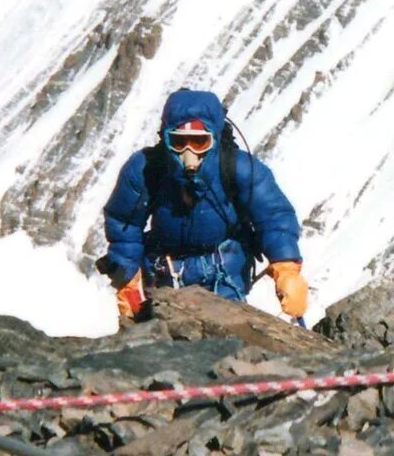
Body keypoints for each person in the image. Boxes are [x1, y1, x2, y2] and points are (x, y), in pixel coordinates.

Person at [101, 89, 309, 321]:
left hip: (224, 270)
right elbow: (124, 225)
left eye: (200, 141)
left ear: (215, 138)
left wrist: (286, 267)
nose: (189, 152)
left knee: (224, 336)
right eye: (179, 141)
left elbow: (274, 217)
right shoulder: (145, 170)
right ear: (165, 138)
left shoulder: (239, 169)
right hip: (165, 272)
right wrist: (126, 280)